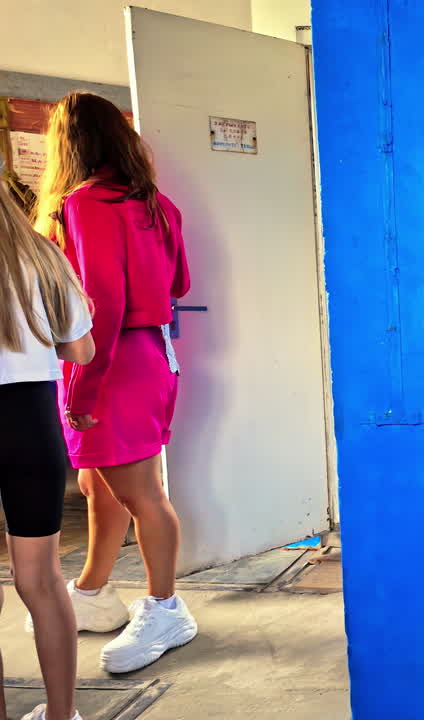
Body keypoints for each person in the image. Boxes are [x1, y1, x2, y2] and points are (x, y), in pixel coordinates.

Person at [30, 91, 196, 674]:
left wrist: (81, 388)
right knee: (103, 485)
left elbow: (100, 298)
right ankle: (96, 592)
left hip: (106, 359)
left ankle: (166, 607)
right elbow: (180, 282)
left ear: (68, 144)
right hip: (149, 353)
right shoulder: (157, 203)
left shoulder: (84, 203)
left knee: (140, 493)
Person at [0, 187, 91, 720]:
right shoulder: (41, 254)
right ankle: (62, 714)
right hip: (30, 421)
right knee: (41, 579)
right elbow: (82, 348)